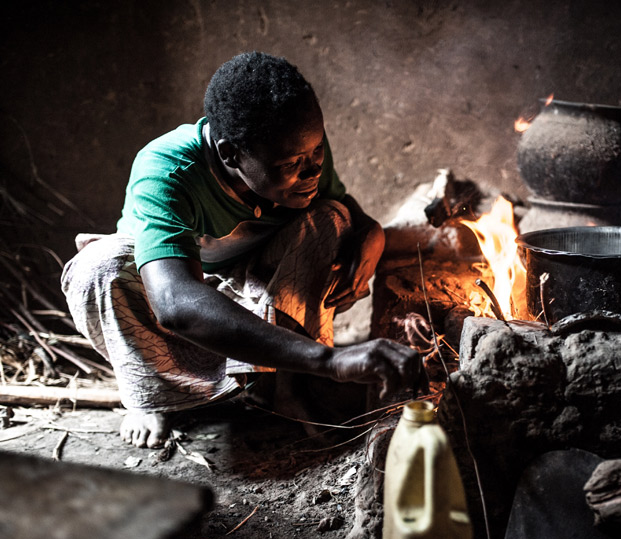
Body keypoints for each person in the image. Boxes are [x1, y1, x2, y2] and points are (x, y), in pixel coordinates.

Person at [61, 51, 423, 448]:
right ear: (230, 154)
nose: (312, 169)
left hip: (249, 282)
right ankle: (150, 393)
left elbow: (340, 203)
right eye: (291, 164)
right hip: (181, 298)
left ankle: (285, 386)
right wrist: (330, 360)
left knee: (329, 220)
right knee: (98, 268)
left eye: (317, 152)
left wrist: (372, 231)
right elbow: (175, 302)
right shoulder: (165, 170)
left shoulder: (300, 147)